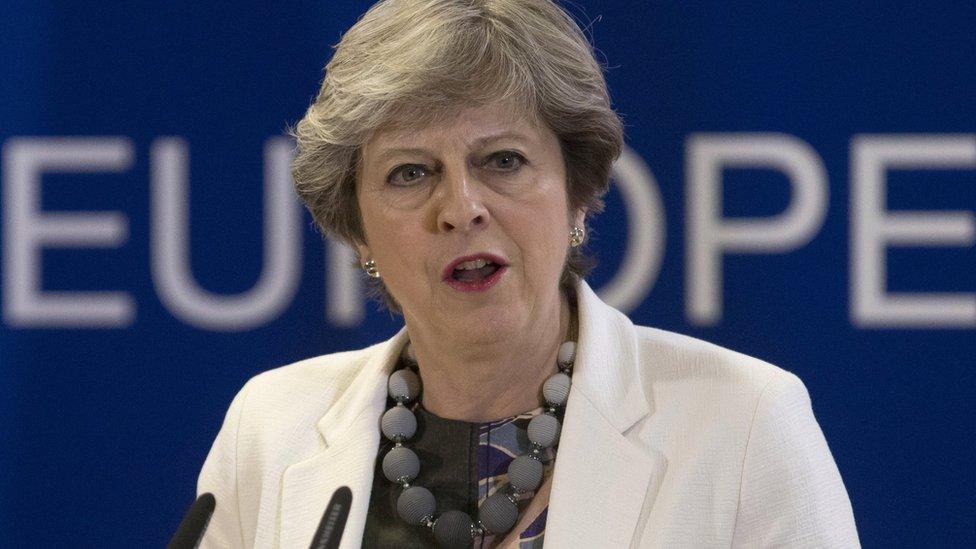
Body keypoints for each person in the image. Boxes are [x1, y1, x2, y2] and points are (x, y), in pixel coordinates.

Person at [197, 0, 860, 547]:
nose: (460, 208)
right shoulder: (271, 427)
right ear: (356, 226)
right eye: (410, 172)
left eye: (503, 160)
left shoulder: (741, 424)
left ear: (576, 192)